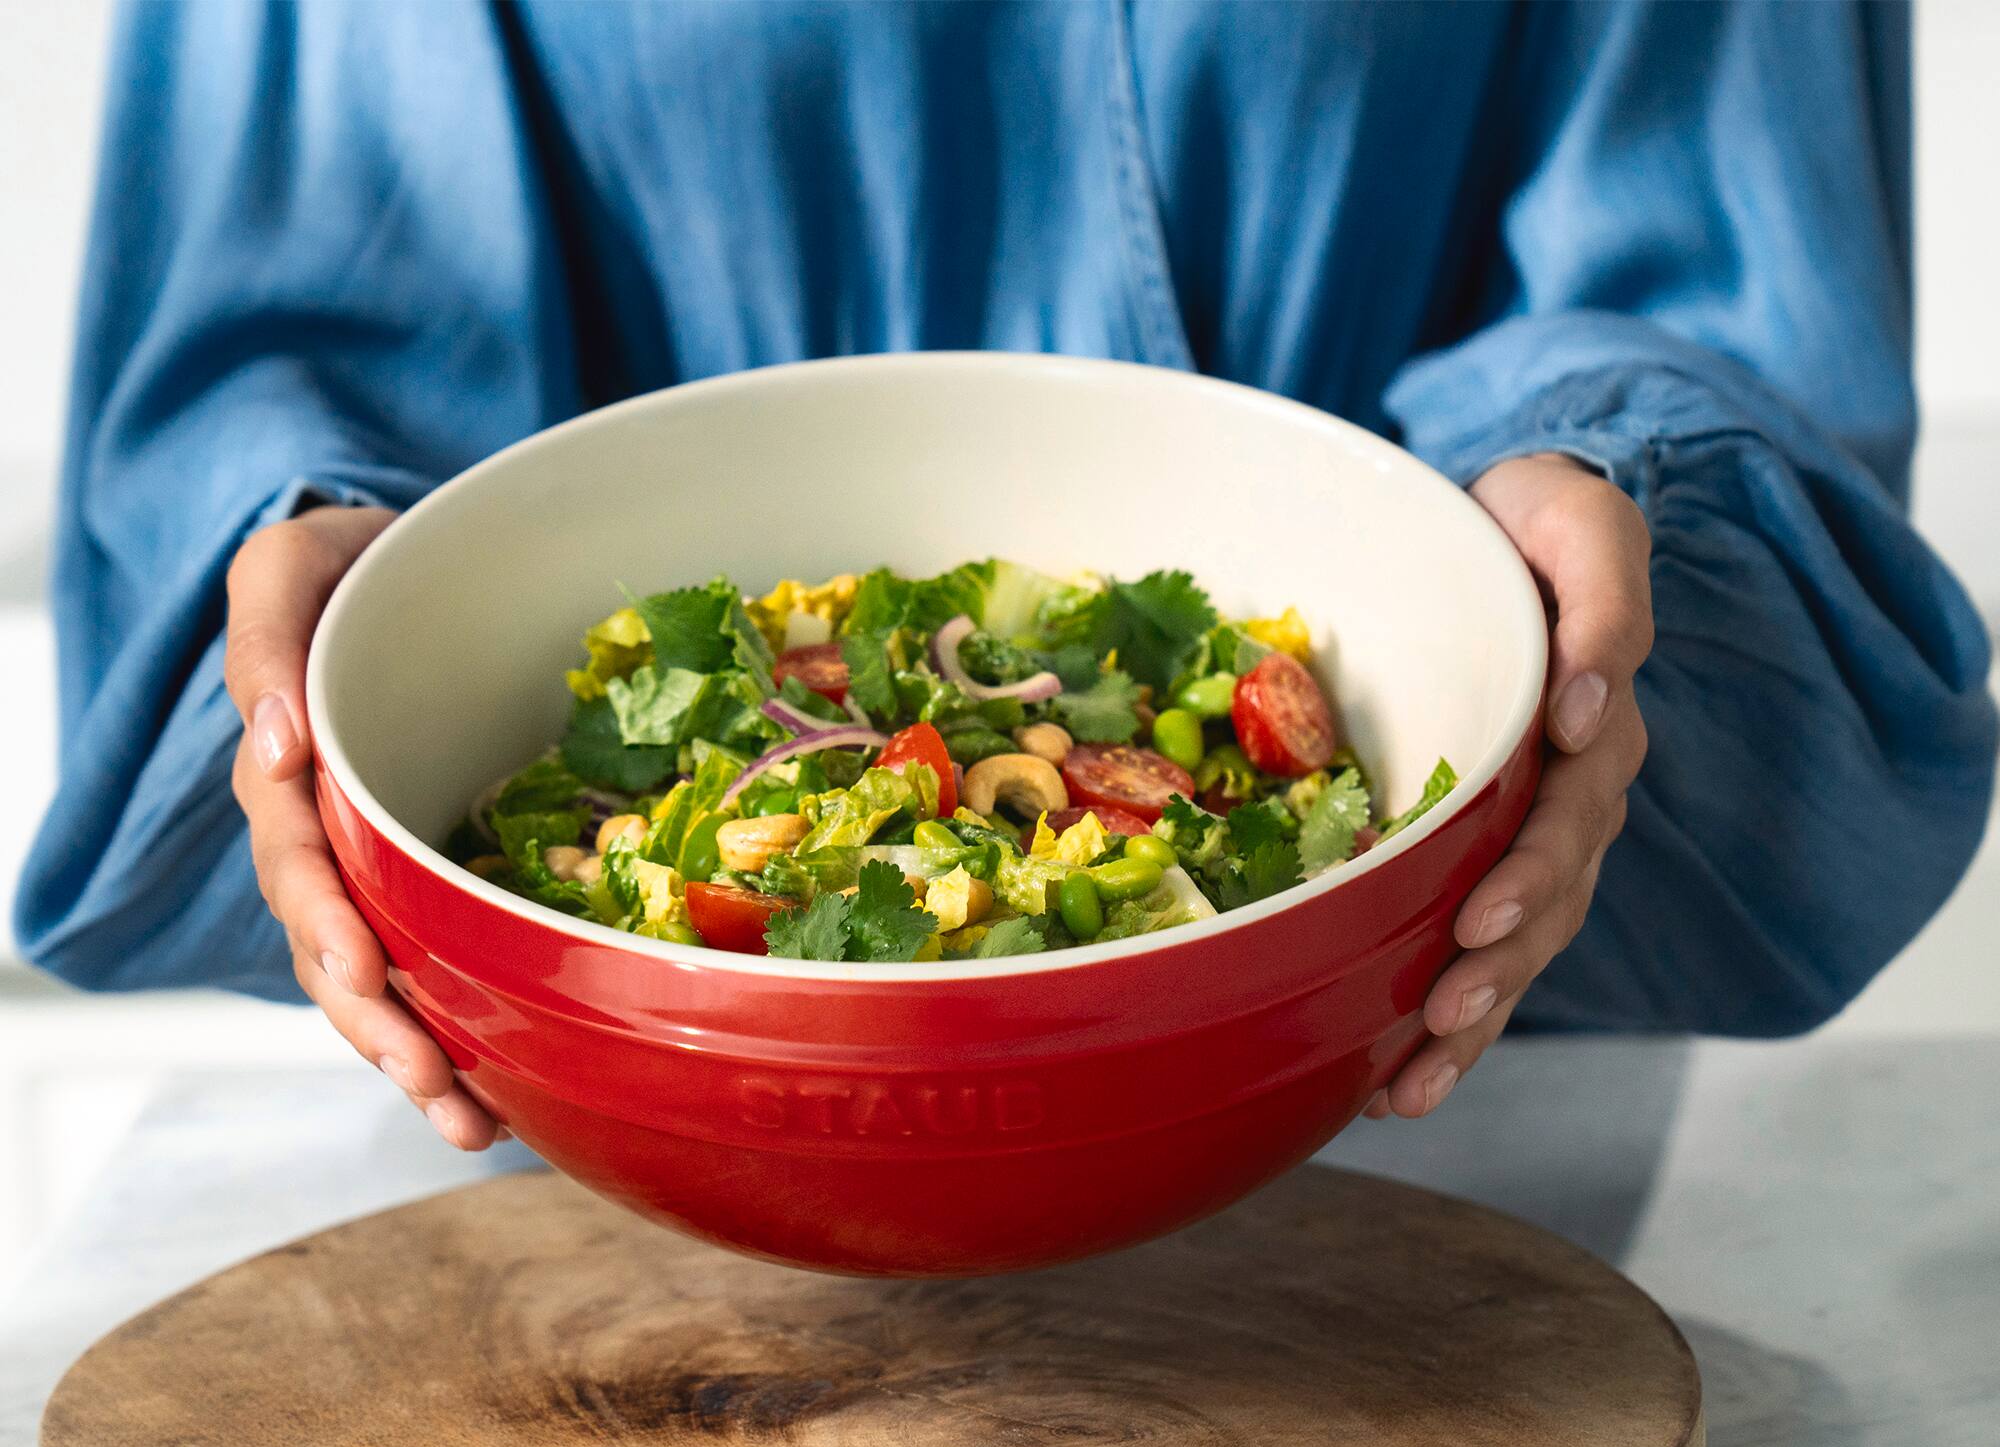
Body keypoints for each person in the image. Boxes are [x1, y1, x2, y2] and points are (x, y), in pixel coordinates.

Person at [19, 0, 1993, 1153]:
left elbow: (1712, 249)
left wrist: (1582, 495)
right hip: (611, 1155)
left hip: (1420, 1088)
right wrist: (333, 577)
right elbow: (297, 297)